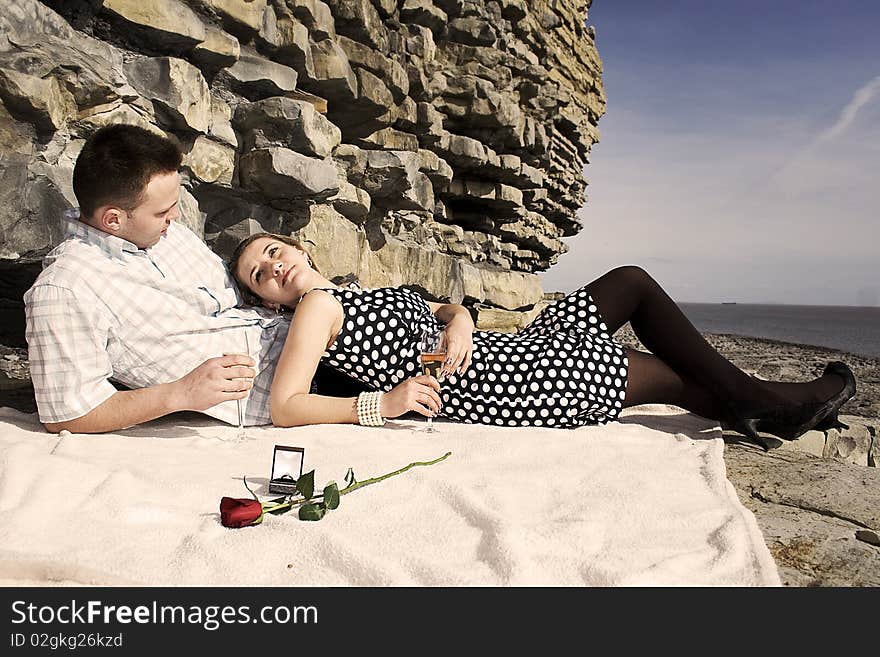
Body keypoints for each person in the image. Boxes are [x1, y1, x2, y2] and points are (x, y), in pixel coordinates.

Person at [230, 232, 857, 441]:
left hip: (507, 348)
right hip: (505, 382)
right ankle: (766, 402)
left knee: (630, 288)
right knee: (655, 346)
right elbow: (285, 408)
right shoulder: (314, 309)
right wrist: (383, 405)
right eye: (259, 274)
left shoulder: (347, 288)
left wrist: (461, 319)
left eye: (274, 251)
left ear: (299, 246)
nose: (273, 266)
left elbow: (438, 307)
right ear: (265, 298)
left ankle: (763, 403)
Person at [24, 124, 275, 433]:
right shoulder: (66, 288)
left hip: (303, 328)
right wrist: (180, 394)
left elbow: (232, 295)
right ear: (113, 219)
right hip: (292, 383)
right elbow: (68, 413)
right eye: (162, 212)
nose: (176, 217)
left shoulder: (168, 234)